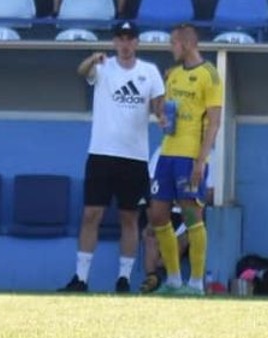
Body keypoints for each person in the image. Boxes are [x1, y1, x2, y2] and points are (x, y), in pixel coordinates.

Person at [60, 21, 165, 293]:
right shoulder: (103, 67)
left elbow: (159, 107)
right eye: (121, 38)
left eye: (130, 39)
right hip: (102, 153)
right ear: (115, 42)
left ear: (137, 43)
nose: (125, 44)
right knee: (90, 214)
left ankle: (124, 279)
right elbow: (81, 72)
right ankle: (81, 278)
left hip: (134, 157)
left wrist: (164, 117)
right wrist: (92, 58)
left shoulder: (150, 71)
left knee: (129, 218)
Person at [151, 23, 222, 295]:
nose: (171, 48)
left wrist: (200, 161)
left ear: (187, 44)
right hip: (167, 153)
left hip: (190, 155)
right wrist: (162, 116)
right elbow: (165, 111)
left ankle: (195, 283)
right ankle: (172, 279)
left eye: (173, 43)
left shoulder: (210, 75)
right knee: (158, 216)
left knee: (192, 215)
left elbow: (214, 123)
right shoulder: (174, 74)